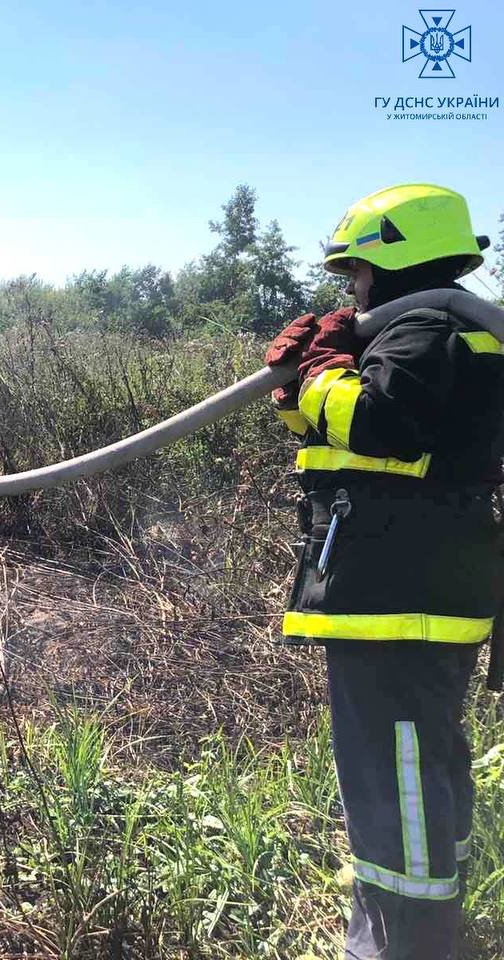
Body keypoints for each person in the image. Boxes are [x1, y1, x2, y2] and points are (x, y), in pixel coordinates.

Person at [265, 183, 500, 958]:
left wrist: (325, 371)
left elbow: (380, 424)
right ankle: (406, 934)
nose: (352, 289)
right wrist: (299, 386)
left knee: (397, 781)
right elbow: (351, 449)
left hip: (401, 598)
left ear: (395, 258)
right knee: (416, 772)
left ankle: (411, 945)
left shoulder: (428, 325)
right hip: (410, 592)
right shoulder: (437, 331)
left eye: (358, 272)